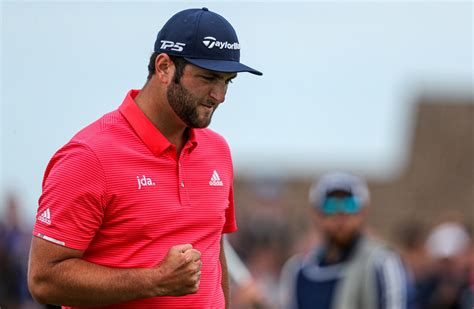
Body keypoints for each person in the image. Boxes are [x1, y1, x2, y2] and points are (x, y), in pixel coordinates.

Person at [28, 7, 261, 309]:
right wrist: (155, 280)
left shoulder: (217, 150)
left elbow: (213, 251)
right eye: (208, 78)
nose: (219, 95)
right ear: (164, 67)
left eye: (227, 81)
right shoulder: (89, 157)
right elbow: (44, 279)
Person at [280, 172, 411, 309]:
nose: (340, 213)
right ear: (316, 214)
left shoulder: (381, 263)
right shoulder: (300, 273)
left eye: (350, 204)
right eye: (330, 205)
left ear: (363, 212)